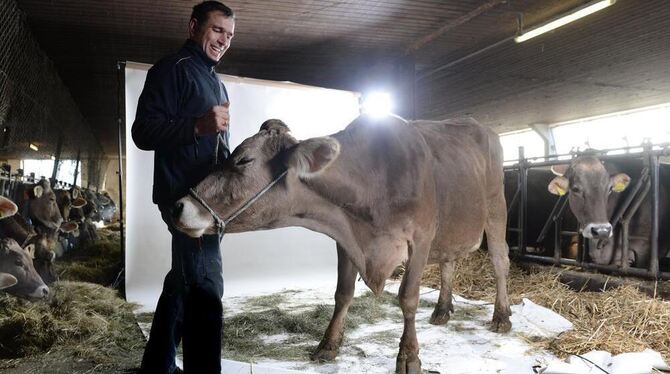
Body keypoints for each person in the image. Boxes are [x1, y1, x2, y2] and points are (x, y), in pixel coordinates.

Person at [131, 2, 235, 373]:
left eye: (229, 35)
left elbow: (214, 146)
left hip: (211, 202)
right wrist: (196, 126)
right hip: (186, 203)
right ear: (194, 27)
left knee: (183, 282)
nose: (224, 40)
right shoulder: (170, 69)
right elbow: (142, 132)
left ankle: (157, 366)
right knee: (206, 287)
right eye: (217, 30)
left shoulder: (216, 81)